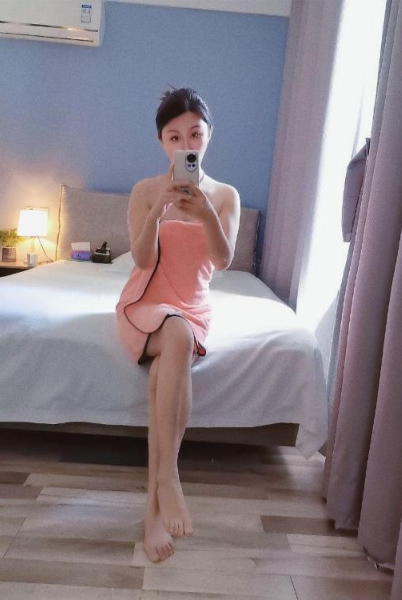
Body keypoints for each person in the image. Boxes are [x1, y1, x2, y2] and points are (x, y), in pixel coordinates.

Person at [115, 88, 240, 563]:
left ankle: (154, 507)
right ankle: (169, 479)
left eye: (195, 134)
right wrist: (159, 211)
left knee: (169, 363)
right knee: (177, 335)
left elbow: (223, 261)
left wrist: (206, 213)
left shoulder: (225, 196)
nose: (186, 144)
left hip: (193, 306)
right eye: (174, 136)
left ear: (208, 136)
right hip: (147, 300)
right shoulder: (145, 190)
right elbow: (142, 260)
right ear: (161, 142)